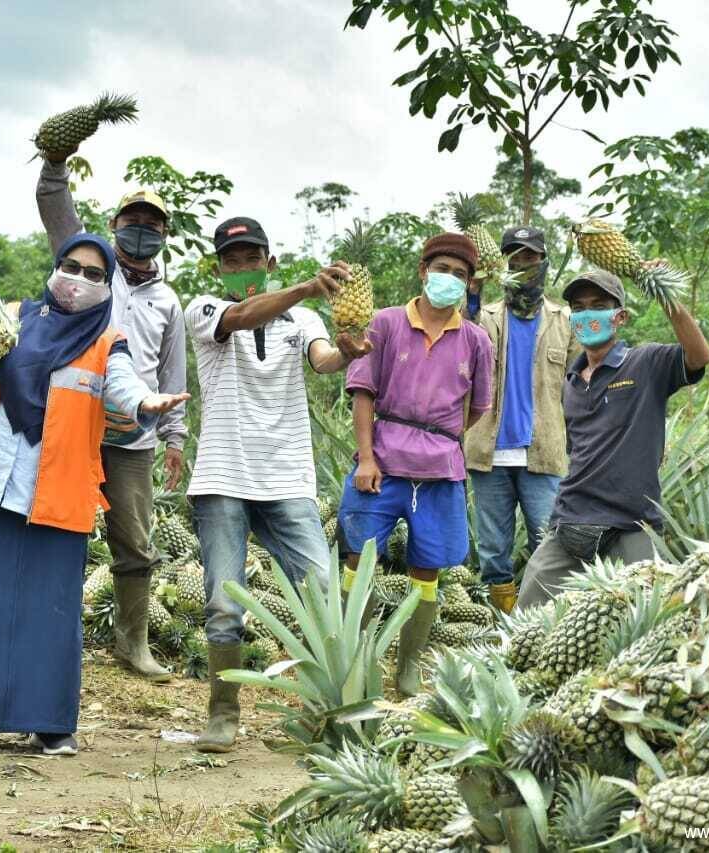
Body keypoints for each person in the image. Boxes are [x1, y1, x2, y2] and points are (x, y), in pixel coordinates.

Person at [0, 233, 188, 756]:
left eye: (95, 274)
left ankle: (50, 724)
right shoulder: (14, 316)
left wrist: (149, 401)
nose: (79, 280)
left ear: (109, 284)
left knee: (51, 609)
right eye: (71, 267)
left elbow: (122, 385)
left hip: (62, 488)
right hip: (0, 481)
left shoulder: (107, 339)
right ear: (55, 267)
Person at [186, 217, 371, 752]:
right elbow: (241, 316)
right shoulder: (205, 308)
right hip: (224, 475)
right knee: (224, 602)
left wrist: (349, 353)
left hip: (287, 474)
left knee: (322, 593)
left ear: (270, 261)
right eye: (232, 260)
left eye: (252, 258)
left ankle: (331, 710)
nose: (242, 269)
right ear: (219, 268)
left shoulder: (303, 318)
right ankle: (223, 713)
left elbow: (324, 359)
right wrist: (310, 285)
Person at [37, 151, 187, 682]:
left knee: (134, 541)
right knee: (58, 529)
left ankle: (133, 644)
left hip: (133, 437)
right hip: (74, 424)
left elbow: (172, 374)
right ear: (113, 226)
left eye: (152, 225)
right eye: (133, 222)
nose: (141, 231)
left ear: (165, 233)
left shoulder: (168, 299)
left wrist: (174, 438)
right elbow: (54, 206)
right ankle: (53, 638)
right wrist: (54, 163)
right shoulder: (93, 274)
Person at [339, 233, 494, 697]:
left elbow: (478, 406)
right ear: (423, 271)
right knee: (359, 557)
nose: (450, 280)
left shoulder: (475, 340)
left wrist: (440, 439)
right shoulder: (384, 323)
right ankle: (355, 661)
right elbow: (363, 392)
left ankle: (406, 668)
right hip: (381, 459)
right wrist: (366, 457)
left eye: (461, 275)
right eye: (442, 269)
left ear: (470, 285)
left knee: (428, 567)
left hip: (441, 467)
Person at [516, 270, 709, 608]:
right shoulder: (571, 381)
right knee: (526, 614)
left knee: (651, 617)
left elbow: (698, 356)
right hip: (571, 518)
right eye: (579, 307)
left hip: (631, 523)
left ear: (619, 316)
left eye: (599, 305)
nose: (588, 313)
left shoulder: (646, 363)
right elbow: (578, 450)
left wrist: (666, 296)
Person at [463, 226, 579, 613]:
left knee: (548, 542)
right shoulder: (486, 316)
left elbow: (581, 385)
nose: (522, 263)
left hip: (544, 453)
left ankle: (545, 619)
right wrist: (474, 291)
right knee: (493, 550)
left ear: (543, 261)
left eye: (530, 256)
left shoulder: (565, 321)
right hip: (488, 451)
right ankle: (502, 621)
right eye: (514, 256)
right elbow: (458, 338)